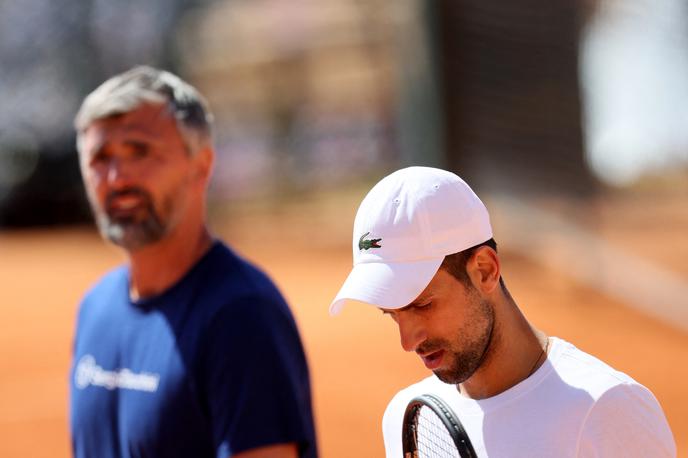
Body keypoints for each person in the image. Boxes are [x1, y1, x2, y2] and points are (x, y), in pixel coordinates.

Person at [330, 166, 676, 457]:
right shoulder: (408, 419)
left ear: (484, 270)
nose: (408, 341)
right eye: (391, 314)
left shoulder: (609, 409)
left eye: (422, 304)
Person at [70, 66, 317, 458]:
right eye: (100, 157)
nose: (117, 178)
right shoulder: (95, 307)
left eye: (140, 151)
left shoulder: (241, 315)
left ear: (200, 166)